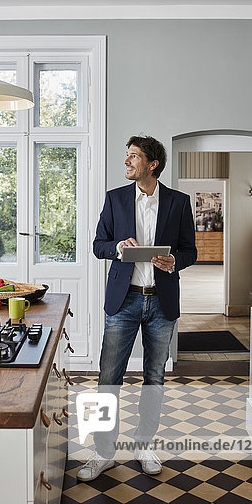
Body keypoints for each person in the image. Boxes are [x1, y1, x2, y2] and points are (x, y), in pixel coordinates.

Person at [77, 135, 197, 481]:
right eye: (127, 156)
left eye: (134, 156)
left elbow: (191, 251)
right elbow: (98, 245)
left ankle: (144, 446)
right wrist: (117, 246)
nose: (127, 162)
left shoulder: (178, 202)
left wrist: (174, 260)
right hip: (123, 301)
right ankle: (102, 452)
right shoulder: (115, 199)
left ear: (152, 164)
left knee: (154, 379)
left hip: (162, 302)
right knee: (108, 379)